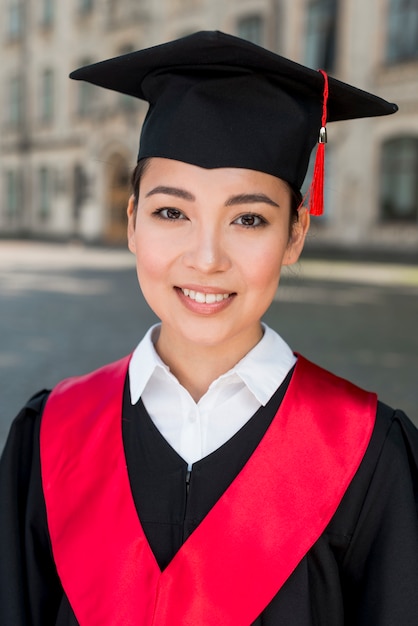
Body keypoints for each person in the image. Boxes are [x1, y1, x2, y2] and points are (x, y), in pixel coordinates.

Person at [1, 31, 417, 626]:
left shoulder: (368, 454)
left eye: (249, 219)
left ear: (294, 236)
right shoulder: (50, 439)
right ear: (132, 222)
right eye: (171, 212)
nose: (206, 258)